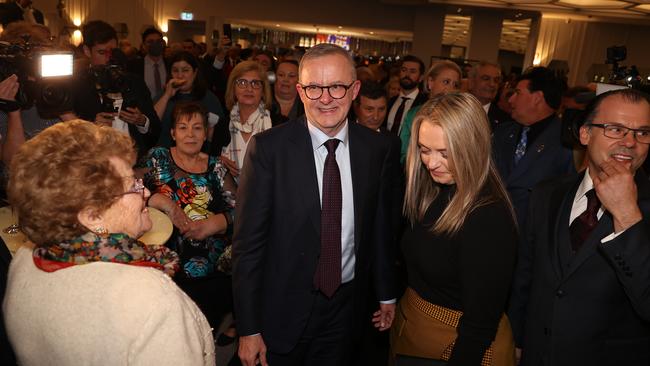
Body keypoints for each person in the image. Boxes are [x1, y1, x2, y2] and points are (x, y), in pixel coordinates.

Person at [232, 43, 399, 366]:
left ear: (355, 90)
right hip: (282, 311)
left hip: (348, 311)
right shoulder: (268, 150)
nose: (325, 99)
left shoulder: (378, 149)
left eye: (336, 87)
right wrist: (248, 328)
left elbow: (381, 229)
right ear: (300, 91)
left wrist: (386, 293)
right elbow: (248, 247)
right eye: (314, 88)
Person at [3, 120, 214, 365]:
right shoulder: (147, 298)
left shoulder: (26, 259)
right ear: (92, 215)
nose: (145, 192)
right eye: (131, 185)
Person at [510, 88, 650, 366]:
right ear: (585, 134)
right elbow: (526, 275)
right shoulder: (547, 193)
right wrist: (517, 339)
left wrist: (626, 214)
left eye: (643, 133)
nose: (631, 142)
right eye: (615, 129)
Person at [392, 93, 517, 366]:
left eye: (445, 153)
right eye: (424, 150)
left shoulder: (487, 215)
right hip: (416, 333)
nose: (431, 163)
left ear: (473, 147)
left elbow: (480, 322)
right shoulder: (435, 189)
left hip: (454, 346)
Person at [139, 101, 236, 337]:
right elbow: (127, 192)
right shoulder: (156, 159)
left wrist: (215, 223)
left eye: (197, 128)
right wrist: (163, 203)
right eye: (183, 128)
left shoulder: (216, 168)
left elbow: (242, 211)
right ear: (172, 133)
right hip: (163, 271)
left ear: (206, 133)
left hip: (211, 274)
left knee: (202, 338)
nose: (190, 134)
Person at [73, 20, 161, 157]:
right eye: (102, 52)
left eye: (113, 52)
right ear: (87, 51)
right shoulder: (78, 85)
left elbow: (156, 129)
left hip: (134, 161)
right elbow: (71, 138)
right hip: (95, 165)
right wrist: (92, 127)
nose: (109, 58)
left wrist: (142, 121)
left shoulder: (135, 82)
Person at [154, 51, 227, 150]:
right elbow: (151, 124)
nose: (180, 75)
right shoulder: (163, 96)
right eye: (175, 71)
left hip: (199, 156)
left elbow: (220, 133)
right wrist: (167, 95)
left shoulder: (208, 98)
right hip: (164, 155)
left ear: (195, 72)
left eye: (185, 70)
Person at [212, 60, 273, 179]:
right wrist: (218, 162)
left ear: (263, 90)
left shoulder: (279, 124)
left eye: (255, 83)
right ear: (233, 88)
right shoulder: (222, 125)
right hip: (227, 195)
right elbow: (210, 161)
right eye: (242, 82)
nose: (249, 89)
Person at [399, 60, 461, 164]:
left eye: (455, 85)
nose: (451, 89)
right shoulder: (414, 114)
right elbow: (403, 153)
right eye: (446, 82)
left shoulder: (461, 116)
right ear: (430, 82)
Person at [385, 55, 427, 135]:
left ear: (421, 78)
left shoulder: (425, 104)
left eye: (413, 71)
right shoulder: (390, 101)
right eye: (404, 70)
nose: (407, 75)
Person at [468, 61, 509, 130]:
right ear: (472, 82)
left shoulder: (506, 122)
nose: (492, 84)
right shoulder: (454, 111)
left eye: (496, 80)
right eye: (486, 78)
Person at [270, 59, 304, 125]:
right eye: (281, 75)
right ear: (273, 78)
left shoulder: (306, 104)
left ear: (299, 80)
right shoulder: (262, 102)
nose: (285, 80)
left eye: (291, 76)